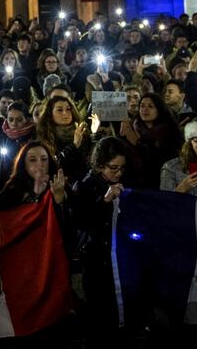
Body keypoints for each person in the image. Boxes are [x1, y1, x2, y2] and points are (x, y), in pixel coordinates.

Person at [69, 136, 132, 347]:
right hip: (96, 259)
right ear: (100, 164)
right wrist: (104, 201)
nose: (118, 173)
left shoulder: (125, 183)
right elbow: (80, 221)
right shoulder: (85, 185)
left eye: (122, 168)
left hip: (121, 258)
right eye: (113, 168)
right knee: (100, 310)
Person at [120, 92, 182, 188]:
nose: (145, 109)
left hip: (160, 185)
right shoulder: (134, 128)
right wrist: (123, 137)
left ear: (159, 110)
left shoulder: (169, 132)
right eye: (142, 106)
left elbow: (160, 161)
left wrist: (137, 142)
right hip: (136, 185)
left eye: (150, 106)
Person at [34, 94, 96, 184]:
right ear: (50, 113)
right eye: (59, 110)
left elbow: (94, 160)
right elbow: (54, 167)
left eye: (68, 109)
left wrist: (94, 134)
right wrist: (74, 146)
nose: (65, 113)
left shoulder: (82, 132)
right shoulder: (45, 137)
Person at [0, 140, 67, 209]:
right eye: (33, 160)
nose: (40, 164)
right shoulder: (11, 192)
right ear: (24, 164)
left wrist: (60, 200)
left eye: (44, 159)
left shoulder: (59, 185)